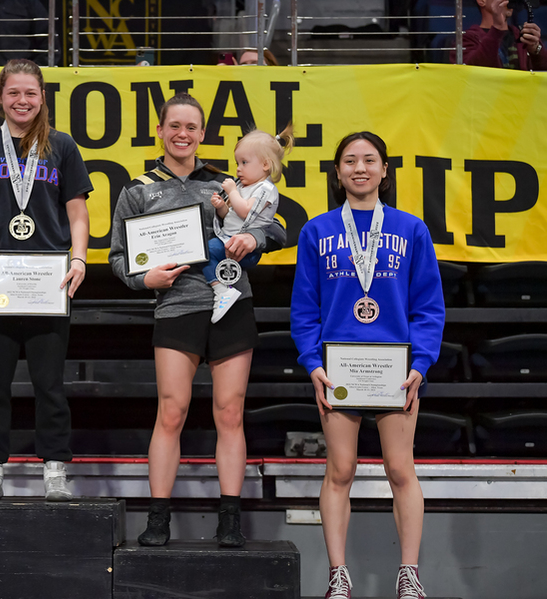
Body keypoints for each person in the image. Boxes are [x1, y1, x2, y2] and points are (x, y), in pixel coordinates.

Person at [108, 93, 286, 547]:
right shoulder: (137, 189)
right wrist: (142, 278)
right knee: (172, 412)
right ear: (161, 131)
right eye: (174, 126)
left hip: (231, 302)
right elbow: (117, 258)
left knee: (229, 413)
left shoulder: (230, 181)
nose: (182, 134)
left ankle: (230, 519)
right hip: (176, 307)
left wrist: (256, 239)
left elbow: (279, 227)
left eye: (191, 127)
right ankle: (158, 518)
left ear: (203, 134)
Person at [289, 132, 445, 599]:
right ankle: (338, 575)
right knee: (340, 470)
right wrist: (312, 363)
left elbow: (428, 306)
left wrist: (421, 362)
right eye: (350, 161)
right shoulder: (316, 231)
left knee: (401, 469)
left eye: (369, 160)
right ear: (337, 173)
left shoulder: (411, 229)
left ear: (384, 171)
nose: (360, 168)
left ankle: (410, 573)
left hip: (397, 372)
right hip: (338, 373)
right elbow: (304, 309)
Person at [0, 59, 92, 501]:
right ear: (0, 97)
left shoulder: (61, 146)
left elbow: (77, 212)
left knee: (50, 382)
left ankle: (55, 471)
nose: (22, 101)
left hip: (50, 279)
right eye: (14, 93)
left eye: (30, 93)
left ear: (42, 97)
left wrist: (80, 259)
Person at [204, 124, 294, 323]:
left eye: (244, 162)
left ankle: (221, 290)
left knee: (206, 251)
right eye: (237, 162)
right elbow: (231, 215)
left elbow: (246, 212)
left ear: (265, 165)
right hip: (229, 239)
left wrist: (231, 192)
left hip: (244, 250)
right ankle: (221, 289)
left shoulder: (265, 188)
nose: (238, 168)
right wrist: (221, 206)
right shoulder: (242, 187)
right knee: (206, 252)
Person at [450, 0, 546, 70]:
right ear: (481, 1)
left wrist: (536, 50)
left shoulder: (523, 36)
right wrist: (497, 28)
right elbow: (472, 72)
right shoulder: (465, 40)